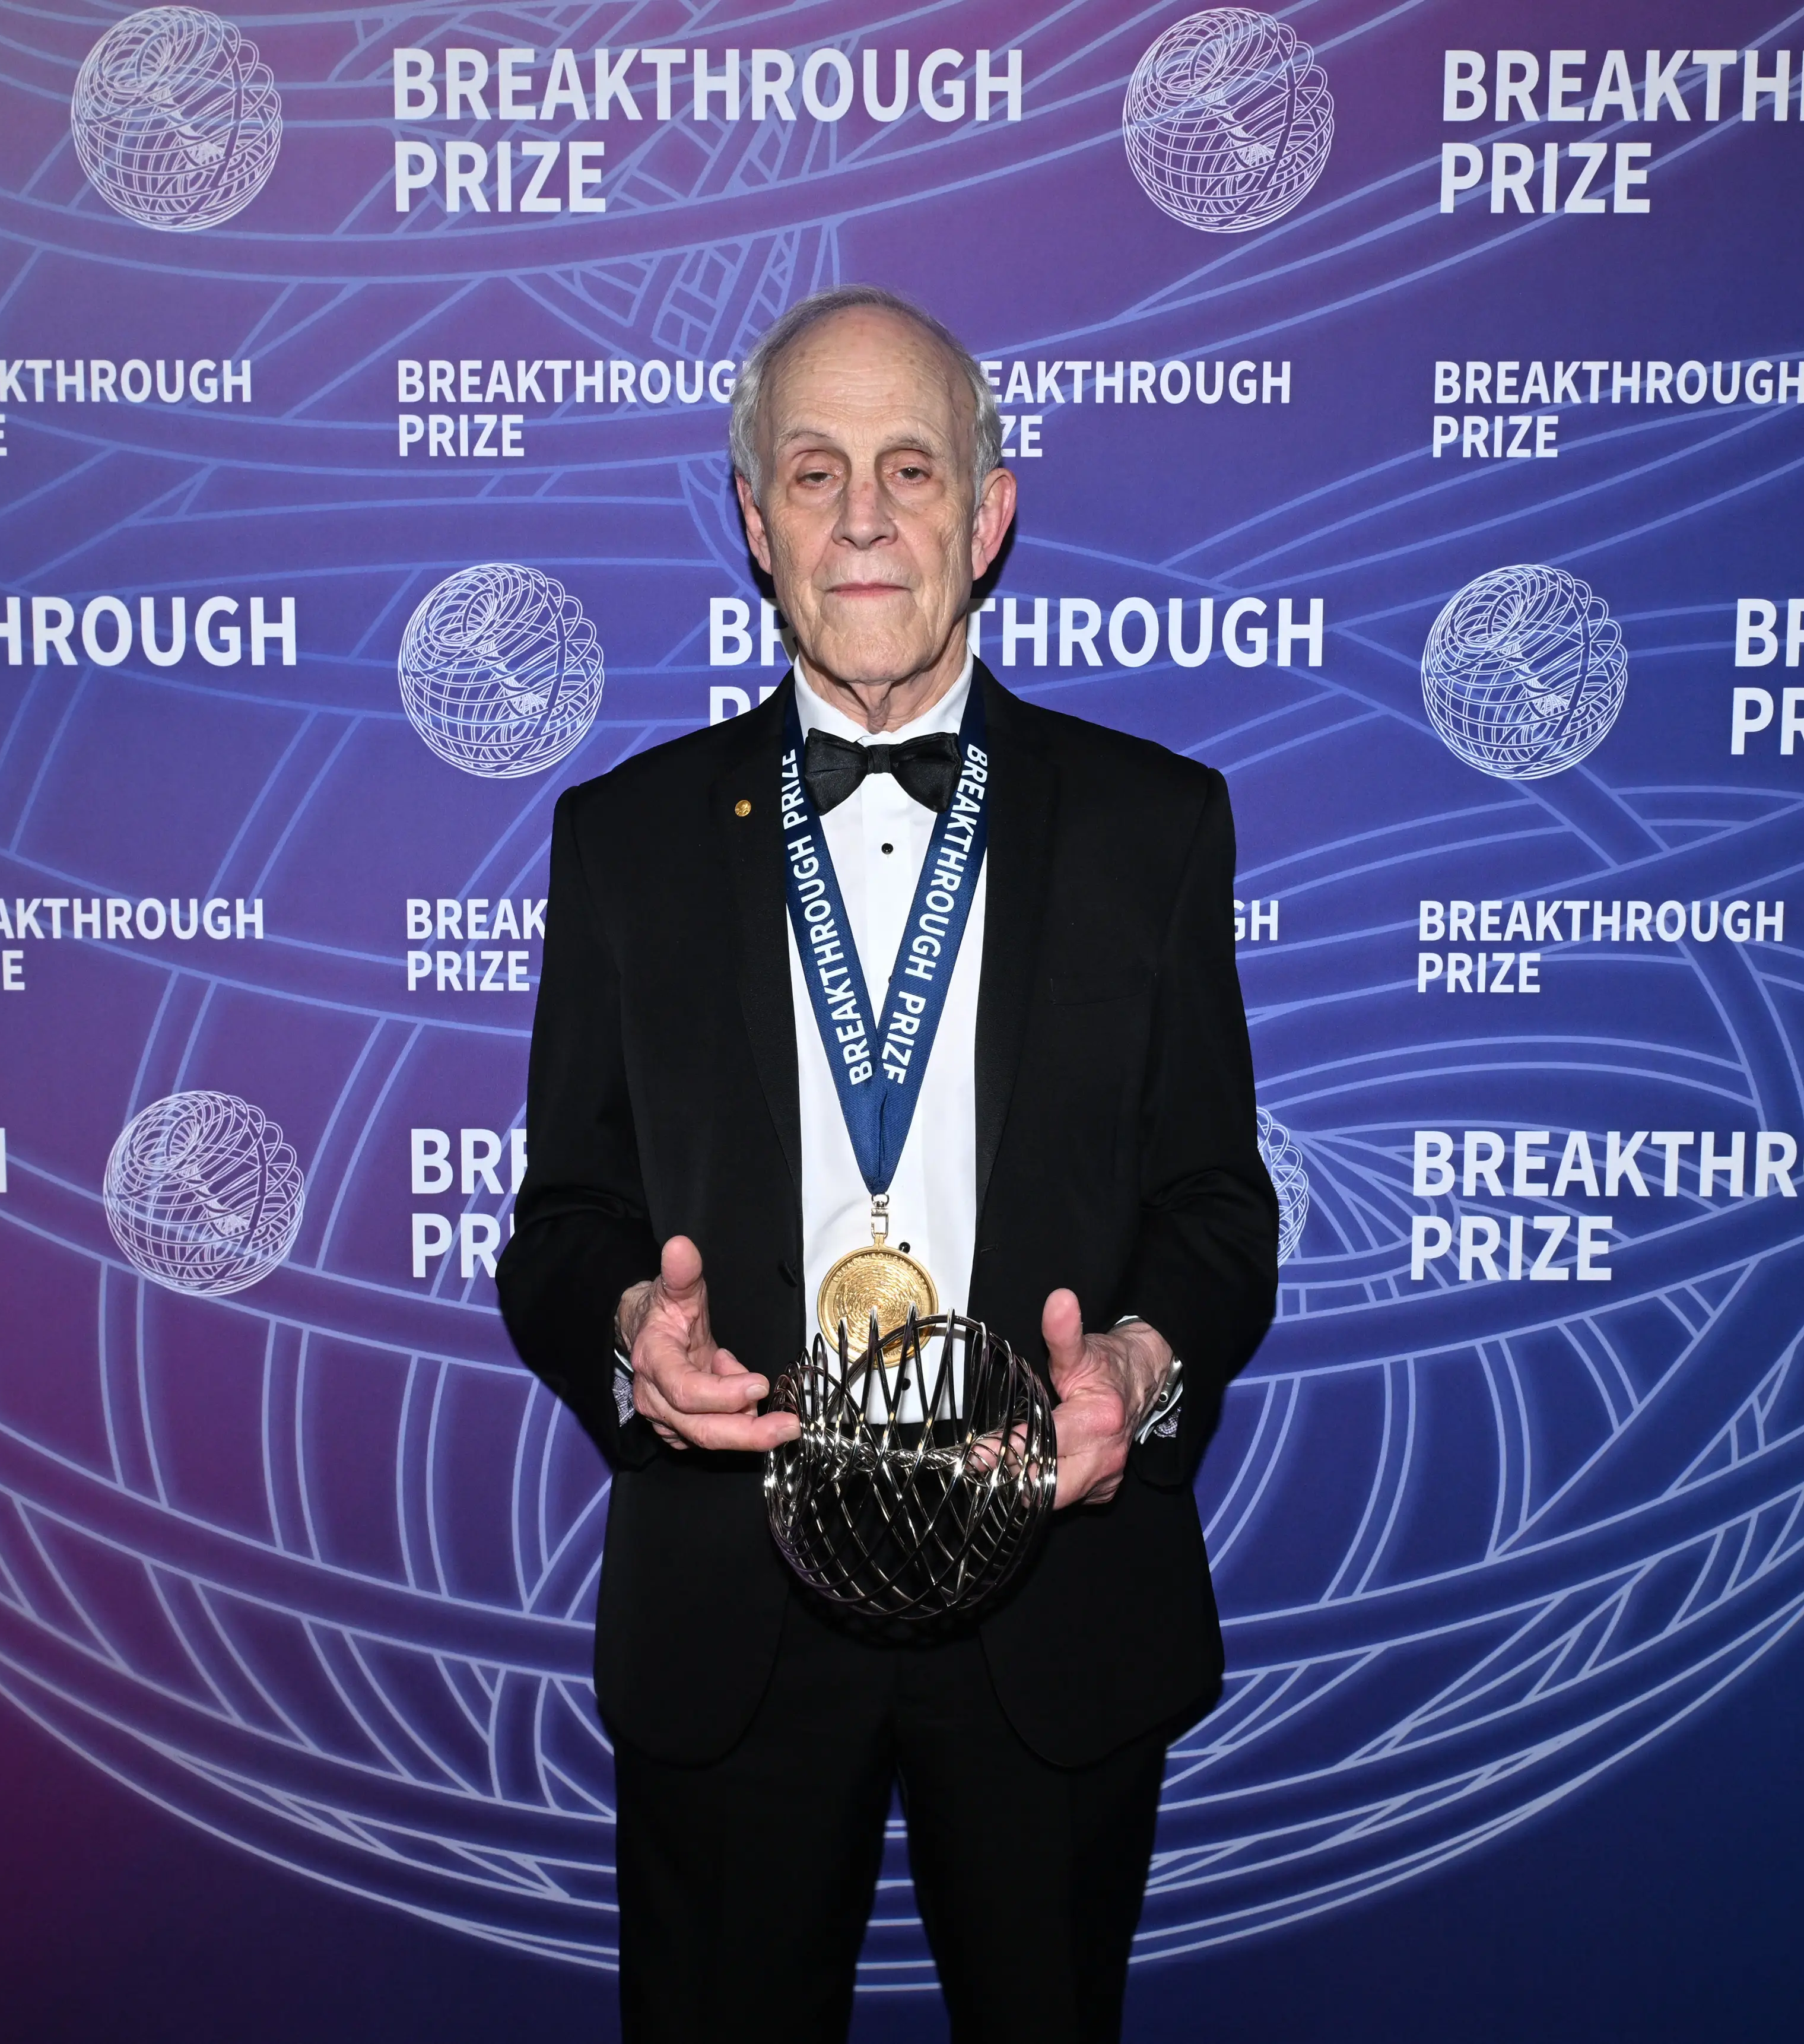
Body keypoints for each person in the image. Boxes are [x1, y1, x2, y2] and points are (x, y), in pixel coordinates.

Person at [497, 283, 1277, 2044]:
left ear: (987, 515)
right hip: (736, 1614)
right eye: (818, 469)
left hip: (1055, 1609)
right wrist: (632, 1327)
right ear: (755, 517)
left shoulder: (1156, 826)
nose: (865, 518)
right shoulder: (621, 845)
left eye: (914, 470)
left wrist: (1139, 1371)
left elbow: (1220, 1211)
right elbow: (561, 1225)